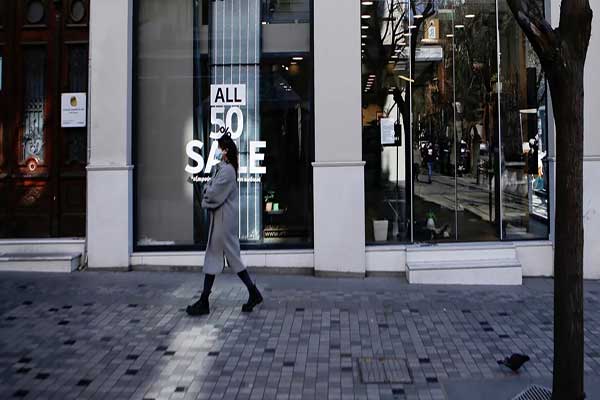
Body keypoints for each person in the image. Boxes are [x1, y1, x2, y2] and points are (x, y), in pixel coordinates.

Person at [186, 134, 263, 316]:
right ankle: (250, 293)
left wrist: (206, 189)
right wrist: (209, 187)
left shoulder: (227, 171)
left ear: (226, 150)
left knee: (219, 258)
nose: (217, 151)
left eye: (219, 148)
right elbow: (213, 189)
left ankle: (205, 301)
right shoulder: (224, 169)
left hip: (223, 223)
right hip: (222, 221)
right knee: (221, 258)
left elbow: (213, 193)